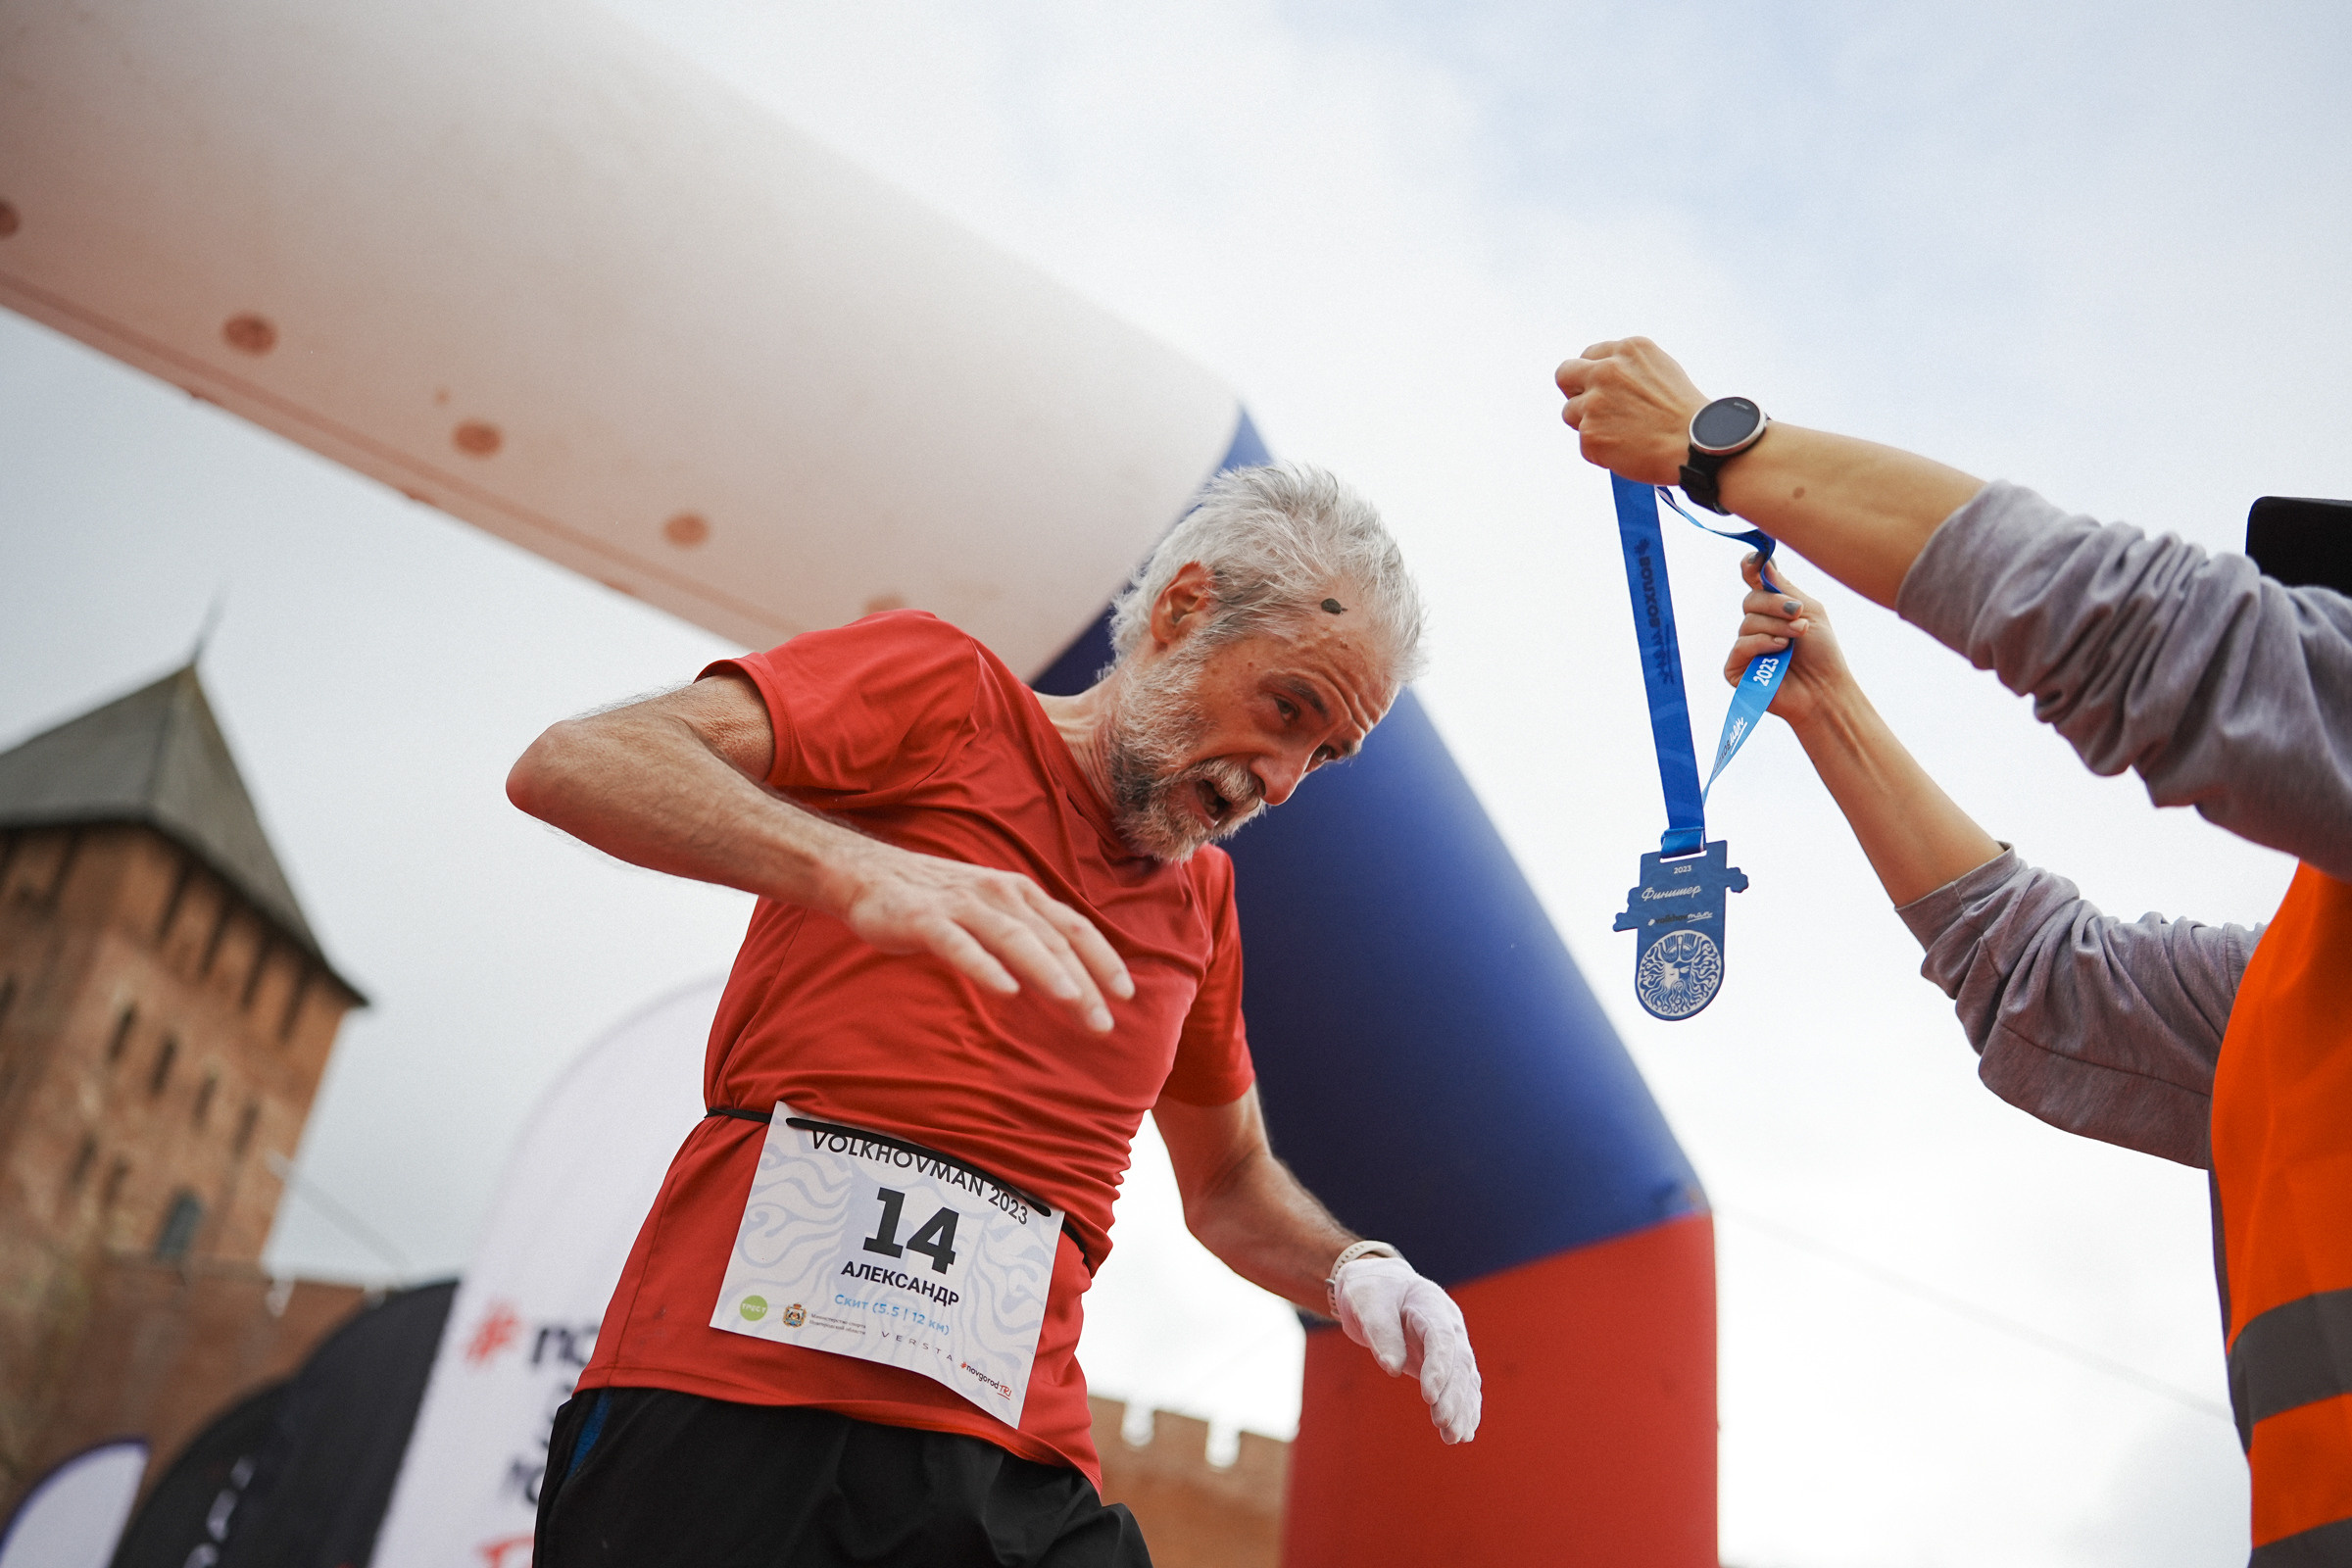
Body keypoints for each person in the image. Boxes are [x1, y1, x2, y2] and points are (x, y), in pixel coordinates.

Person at [506, 462, 1481, 1568]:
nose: (1288, 779)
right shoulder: (944, 692)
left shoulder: (1201, 905)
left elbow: (1225, 1182)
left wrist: (1357, 1265)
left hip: (1007, 1458)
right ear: (1183, 612)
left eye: (1326, 754)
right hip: (730, 1403)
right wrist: (855, 869)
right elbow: (574, 761)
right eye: (1288, 710)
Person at [1555, 337, 2352, 1564]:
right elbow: (2045, 981)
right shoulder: (2306, 985)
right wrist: (1827, 708)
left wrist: (1725, 451)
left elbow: (2152, 640)